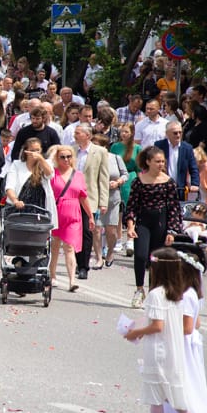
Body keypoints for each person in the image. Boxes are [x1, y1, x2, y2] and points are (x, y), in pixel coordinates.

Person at [123, 247, 207, 413]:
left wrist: (135, 332)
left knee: (156, 398)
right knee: (175, 398)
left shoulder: (156, 294)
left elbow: (158, 326)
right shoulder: (178, 293)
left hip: (159, 350)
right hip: (174, 350)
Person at [157, 248, 207, 413]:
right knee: (189, 388)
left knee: (175, 390)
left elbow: (187, 327)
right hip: (190, 347)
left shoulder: (185, 296)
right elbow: (197, 323)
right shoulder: (195, 294)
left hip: (181, 347)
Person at [124, 146, 183, 308]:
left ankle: (153, 293)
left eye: (162, 161)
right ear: (148, 162)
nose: (160, 164)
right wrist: (130, 226)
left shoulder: (168, 182)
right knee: (141, 256)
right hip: (143, 222)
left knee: (156, 259)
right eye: (157, 161)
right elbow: (132, 206)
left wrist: (172, 231)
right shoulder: (139, 181)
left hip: (161, 223)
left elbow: (174, 208)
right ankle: (139, 289)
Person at [48, 145, 94, 292]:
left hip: (73, 214)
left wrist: (90, 216)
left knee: (69, 247)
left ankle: (72, 280)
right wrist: (53, 153)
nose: (66, 159)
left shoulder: (78, 175)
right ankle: (52, 275)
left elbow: (83, 197)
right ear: (57, 158)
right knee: (55, 246)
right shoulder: (52, 174)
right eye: (62, 157)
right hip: (56, 213)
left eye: (69, 156)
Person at [73, 124, 109, 279]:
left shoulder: (100, 152)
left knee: (87, 232)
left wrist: (103, 201)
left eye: (78, 133)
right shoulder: (71, 150)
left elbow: (103, 177)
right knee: (74, 232)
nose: (75, 135)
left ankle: (84, 266)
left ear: (87, 135)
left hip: (90, 198)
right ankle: (76, 262)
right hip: (72, 197)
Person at [3, 137, 58, 224]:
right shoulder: (17, 165)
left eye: (37, 150)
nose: (35, 153)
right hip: (20, 207)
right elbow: (10, 186)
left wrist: (41, 159)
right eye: (32, 150)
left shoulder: (45, 163)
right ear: (26, 151)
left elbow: (50, 175)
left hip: (40, 208)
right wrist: (15, 201)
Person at [94, 135, 129, 267]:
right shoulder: (92, 159)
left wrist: (118, 182)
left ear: (104, 147)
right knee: (96, 229)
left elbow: (125, 174)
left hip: (113, 197)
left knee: (111, 229)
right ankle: (98, 257)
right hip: (96, 197)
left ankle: (110, 252)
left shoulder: (115, 158)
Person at [111, 122, 141, 256]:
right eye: (122, 131)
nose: (123, 134)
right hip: (117, 179)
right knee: (118, 210)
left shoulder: (137, 148)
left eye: (126, 132)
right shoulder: (115, 146)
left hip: (131, 179)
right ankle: (118, 239)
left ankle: (130, 239)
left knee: (131, 209)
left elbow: (139, 168)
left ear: (132, 133)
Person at [154, 121, 200, 197]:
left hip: (180, 189)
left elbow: (193, 168)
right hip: (162, 188)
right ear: (167, 134)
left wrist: (195, 184)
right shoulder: (159, 145)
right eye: (175, 133)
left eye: (180, 132)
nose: (178, 135)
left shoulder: (187, 148)